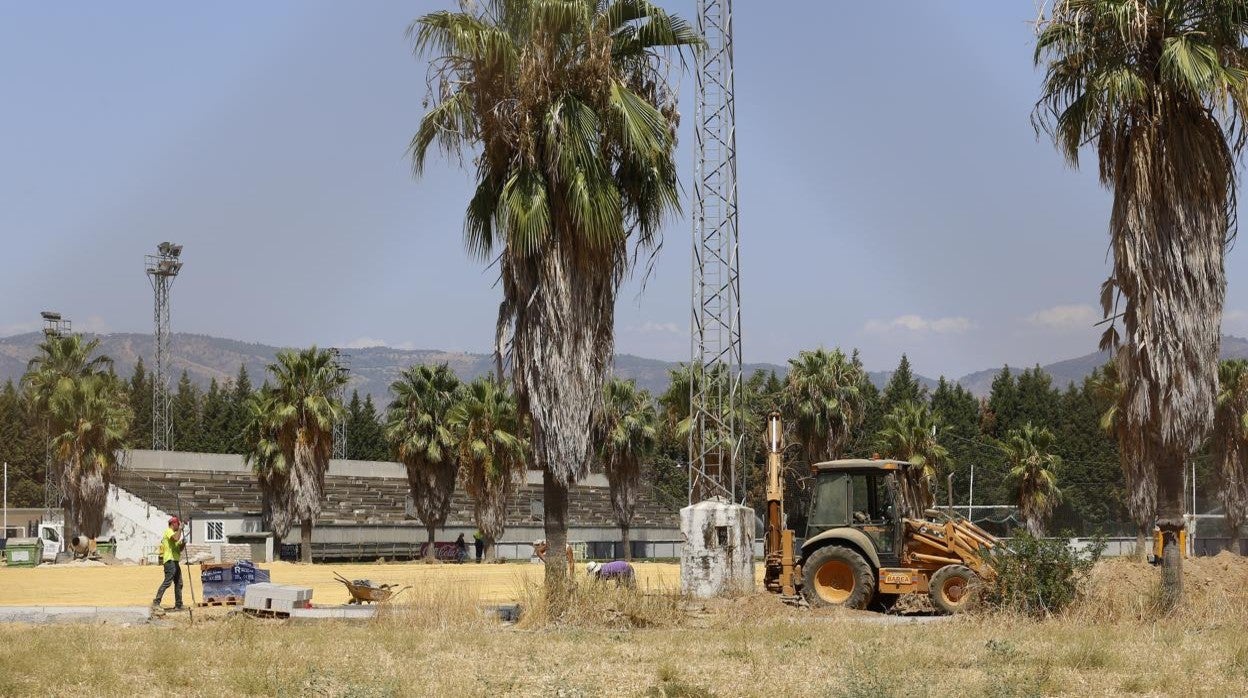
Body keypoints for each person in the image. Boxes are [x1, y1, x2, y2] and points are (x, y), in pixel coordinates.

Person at [152, 516, 186, 612]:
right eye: (178, 524)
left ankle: (179, 604)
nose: (178, 526)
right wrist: (180, 529)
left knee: (179, 583)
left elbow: (179, 549)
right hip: (169, 561)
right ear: (173, 524)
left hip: (175, 561)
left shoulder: (174, 533)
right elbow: (175, 538)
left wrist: (183, 543)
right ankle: (156, 602)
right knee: (167, 582)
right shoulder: (168, 531)